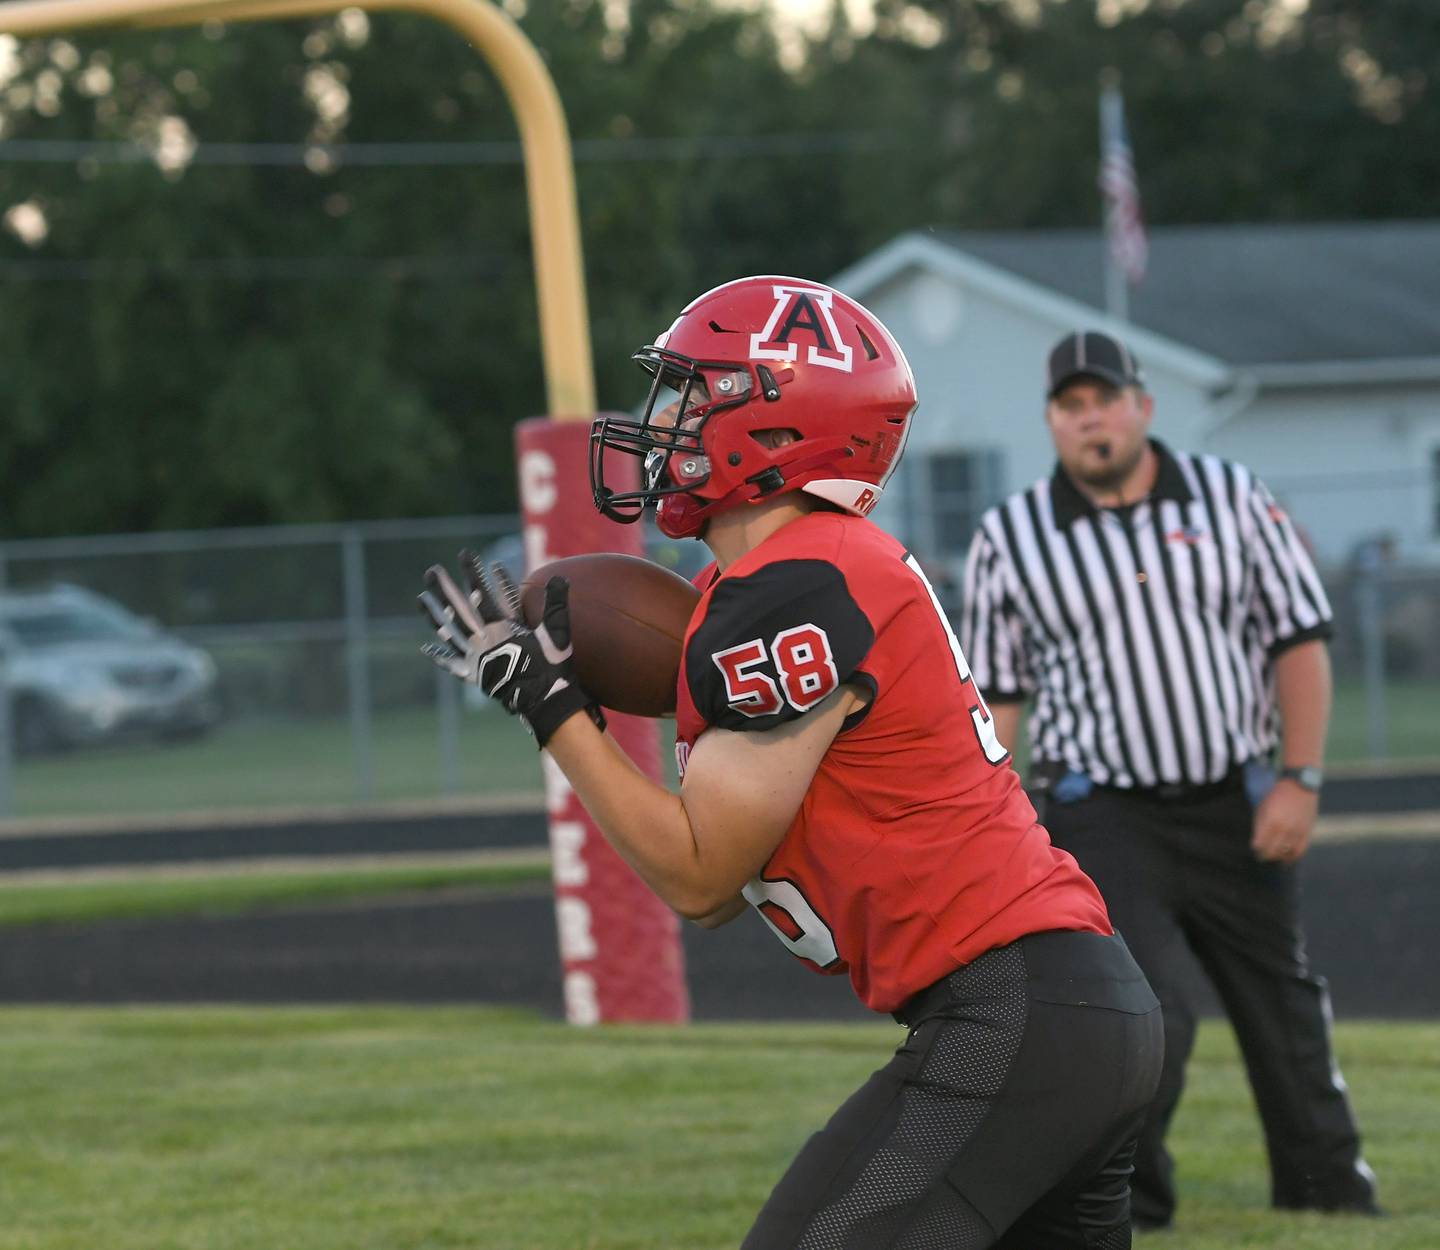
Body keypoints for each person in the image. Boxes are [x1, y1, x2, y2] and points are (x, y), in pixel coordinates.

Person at [420, 278, 1163, 1248]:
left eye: (699, 393)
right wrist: (565, 708)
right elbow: (723, 881)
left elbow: (697, 877)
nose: (669, 421)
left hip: (1017, 1010)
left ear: (779, 430)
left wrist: (552, 707)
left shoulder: (797, 581)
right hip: (1071, 1007)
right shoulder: (792, 574)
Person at [959, 329, 1380, 1231]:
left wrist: (1300, 779)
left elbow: (1298, 642)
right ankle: (1131, 1205)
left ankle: (1327, 1191)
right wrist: (989, 828)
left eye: (1105, 400)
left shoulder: (1232, 498)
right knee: (1147, 1013)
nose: (1092, 420)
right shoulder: (1012, 535)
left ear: (1143, 406)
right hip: (1101, 807)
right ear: (1051, 422)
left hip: (1235, 798)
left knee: (1284, 1005)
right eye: (1072, 407)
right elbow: (998, 699)